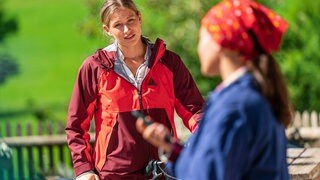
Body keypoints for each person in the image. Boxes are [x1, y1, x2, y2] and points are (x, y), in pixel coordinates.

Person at [136, 0, 293, 179]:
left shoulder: (234, 106)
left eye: (202, 38)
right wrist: (172, 149)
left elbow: (205, 175)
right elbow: (215, 164)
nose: (199, 47)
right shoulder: (252, 94)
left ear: (221, 42)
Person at [65, 0, 204, 179]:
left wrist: (205, 142)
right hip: (114, 174)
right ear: (107, 29)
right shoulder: (95, 68)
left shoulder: (169, 63)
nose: (126, 30)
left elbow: (195, 111)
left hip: (164, 171)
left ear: (139, 18)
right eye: (118, 25)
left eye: (130, 20)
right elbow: (76, 125)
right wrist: (83, 169)